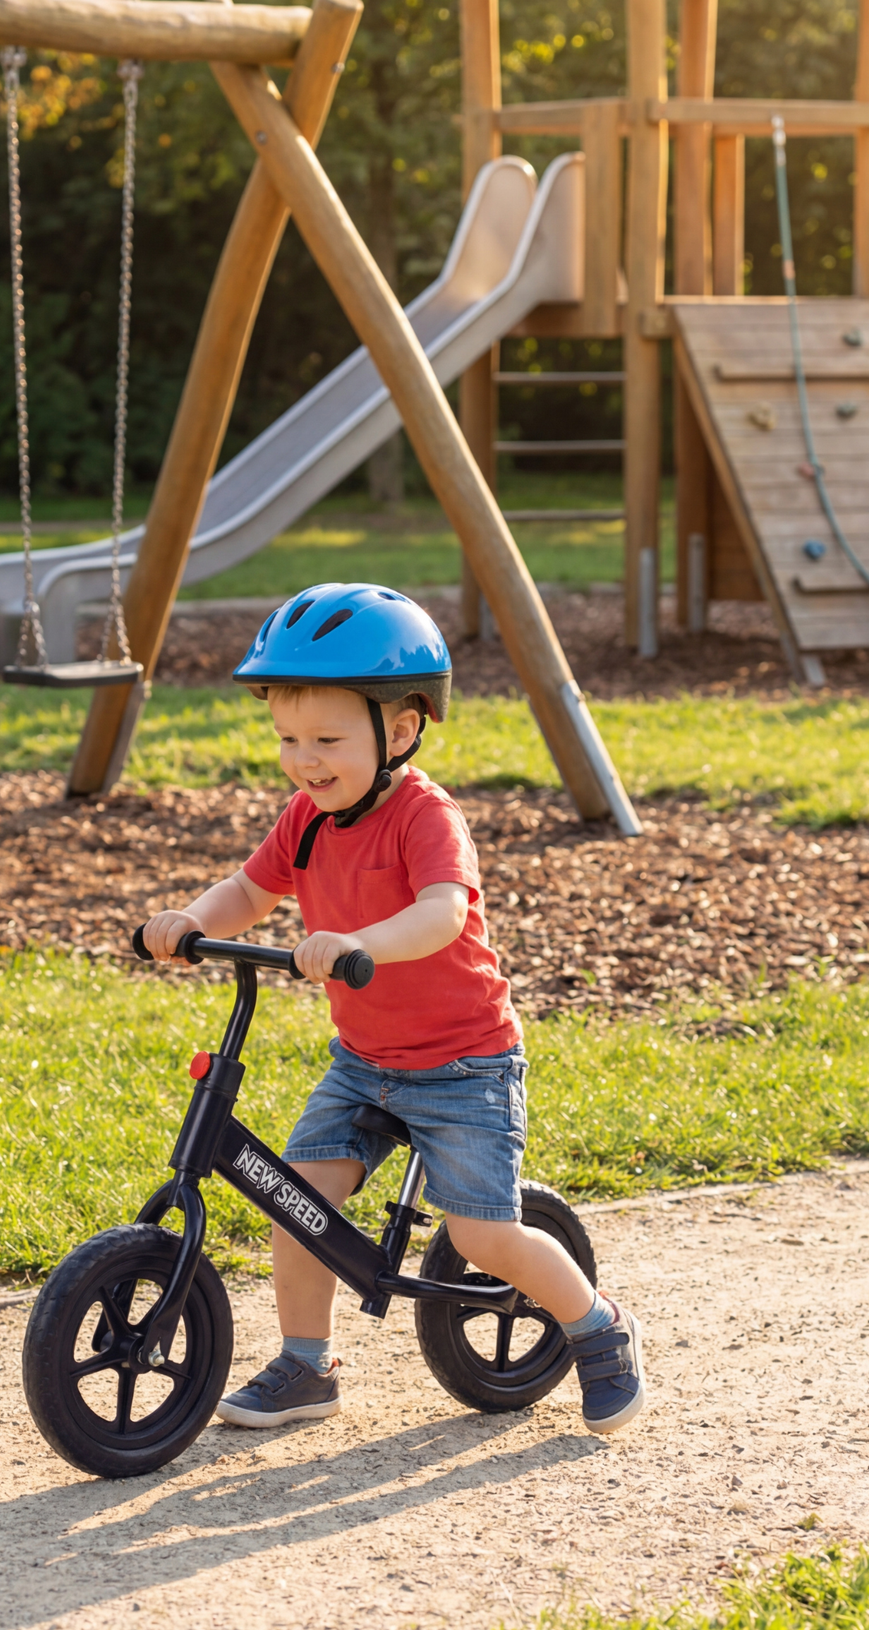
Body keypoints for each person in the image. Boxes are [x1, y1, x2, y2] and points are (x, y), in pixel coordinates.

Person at [141, 583, 646, 1437]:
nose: (304, 759)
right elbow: (247, 889)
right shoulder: (303, 818)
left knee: (484, 1237)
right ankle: (308, 1366)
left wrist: (352, 939)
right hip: (365, 1063)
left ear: (400, 729)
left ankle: (598, 1328)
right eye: (287, 739)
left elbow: (442, 913)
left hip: (463, 1063)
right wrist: (192, 920)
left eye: (327, 739)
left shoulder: (426, 816)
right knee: (298, 1207)